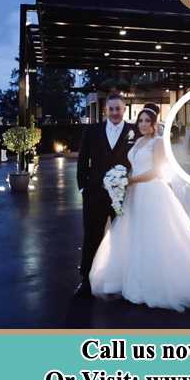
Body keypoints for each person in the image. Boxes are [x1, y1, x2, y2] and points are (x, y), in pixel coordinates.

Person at [89, 107, 190, 311]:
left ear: (153, 123)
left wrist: (129, 180)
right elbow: (134, 165)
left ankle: (159, 282)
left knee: (155, 236)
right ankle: (133, 279)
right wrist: (120, 177)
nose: (142, 124)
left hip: (151, 192)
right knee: (135, 236)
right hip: (135, 194)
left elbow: (156, 171)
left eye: (146, 121)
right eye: (140, 121)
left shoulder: (159, 143)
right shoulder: (139, 141)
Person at [75, 93, 137, 297]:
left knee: (125, 236)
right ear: (105, 111)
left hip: (123, 194)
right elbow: (82, 160)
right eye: (111, 109)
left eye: (118, 108)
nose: (115, 112)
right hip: (94, 193)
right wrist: (83, 187)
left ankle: (126, 277)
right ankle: (86, 279)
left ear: (124, 109)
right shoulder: (92, 130)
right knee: (92, 235)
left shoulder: (135, 131)